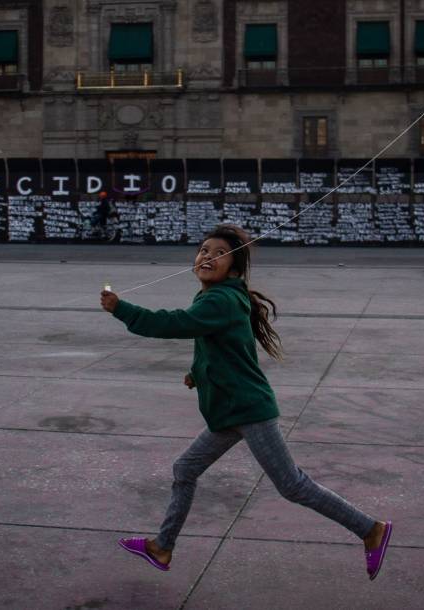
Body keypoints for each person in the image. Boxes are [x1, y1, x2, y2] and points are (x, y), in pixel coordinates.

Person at [99, 224, 392, 580]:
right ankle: (162, 547)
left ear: (234, 269)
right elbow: (217, 344)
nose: (207, 255)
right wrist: (198, 373)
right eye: (203, 249)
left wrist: (122, 309)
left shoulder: (221, 299)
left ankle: (371, 529)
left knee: (293, 485)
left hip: (249, 411)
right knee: (185, 469)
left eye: (218, 253)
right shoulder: (216, 297)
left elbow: (177, 324)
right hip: (229, 412)